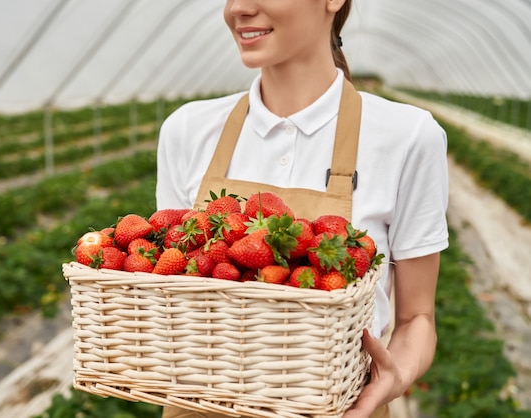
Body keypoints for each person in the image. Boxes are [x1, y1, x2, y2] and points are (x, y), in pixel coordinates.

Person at [155, 0, 449, 417]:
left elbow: (417, 316)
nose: (238, 8)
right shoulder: (187, 129)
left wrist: (395, 377)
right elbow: (169, 289)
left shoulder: (408, 137)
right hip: (198, 402)